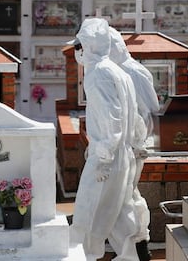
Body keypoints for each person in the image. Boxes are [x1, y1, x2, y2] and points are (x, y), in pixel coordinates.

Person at [70, 18, 146, 261]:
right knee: (119, 213)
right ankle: (136, 254)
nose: (77, 52)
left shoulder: (98, 74)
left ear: (89, 45)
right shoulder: (117, 72)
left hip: (108, 158)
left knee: (88, 214)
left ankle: (83, 258)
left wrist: (102, 157)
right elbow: (133, 117)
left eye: (78, 46)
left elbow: (111, 119)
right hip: (121, 155)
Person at [109, 26, 160, 261]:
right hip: (131, 143)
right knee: (130, 198)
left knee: (122, 201)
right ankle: (140, 247)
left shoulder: (127, 71)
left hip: (131, 145)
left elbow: (148, 110)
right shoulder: (126, 68)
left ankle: (132, 251)